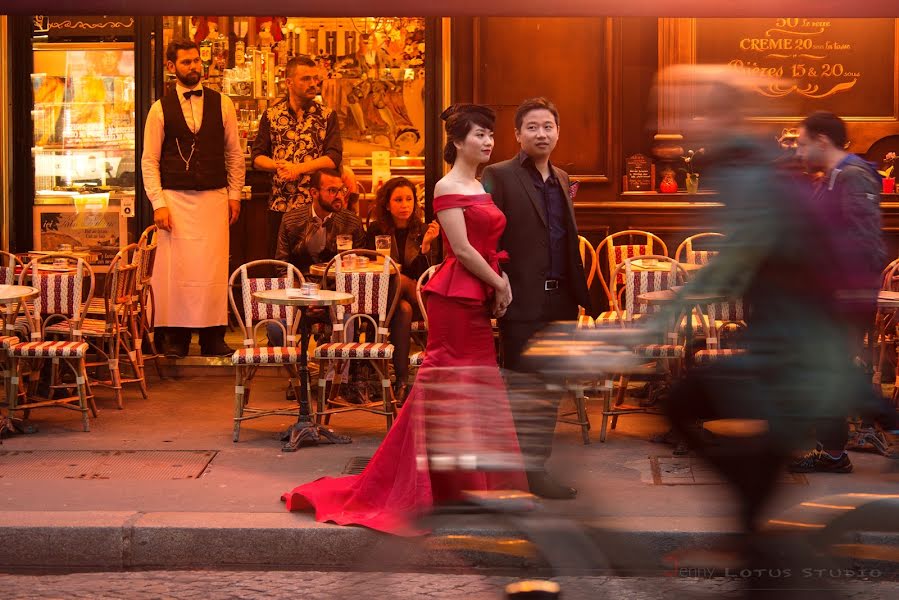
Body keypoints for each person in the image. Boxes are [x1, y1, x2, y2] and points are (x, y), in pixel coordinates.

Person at [281, 104, 526, 536]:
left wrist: (498, 282)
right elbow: (464, 250)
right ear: (456, 141)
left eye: (491, 134)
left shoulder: (479, 184)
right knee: (445, 387)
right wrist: (501, 285)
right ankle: (426, 488)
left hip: (477, 292)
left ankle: (469, 488)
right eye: (479, 135)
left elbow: (483, 248)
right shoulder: (447, 185)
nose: (488, 141)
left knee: (475, 389)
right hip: (457, 297)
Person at [481, 97, 591, 500]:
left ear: (558, 131)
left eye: (548, 126)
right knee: (522, 391)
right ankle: (515, 472)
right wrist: (497, 283)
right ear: (517, 134)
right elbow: (485, 236)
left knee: (549, 390)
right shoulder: (498, 175)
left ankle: (534, 470)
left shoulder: (562, 177)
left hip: (561, 303)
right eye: (532, 127)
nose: (541, 133)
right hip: (521, 301)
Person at [791, 110, 897, 472]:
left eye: (803, 145)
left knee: (835, 370)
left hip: (845, 296)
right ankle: (834, 454)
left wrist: (846, 290)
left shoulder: (853, 176)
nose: (800, 153)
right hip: (830, 295)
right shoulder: (834, 178)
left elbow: (866, 242)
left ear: (822, 140)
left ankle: (889, 423)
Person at [141, 39, 245, 358]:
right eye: (186, 62)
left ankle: (212, 336)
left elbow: (234, 153)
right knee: (176, 273)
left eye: (197, 61)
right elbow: (149, 160)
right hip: (174, 199)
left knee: (212, 271)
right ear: (172, 67)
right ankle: (177, 337)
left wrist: (235, 194)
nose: (194, 67)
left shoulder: (222, 103)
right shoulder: (159, 108)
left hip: (214, 197)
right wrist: (158, 202)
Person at [251, 55, 343, 260]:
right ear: (289, 82)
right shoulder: (271, 115)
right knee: (280, 267)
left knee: (316, 266)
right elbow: (257, 157)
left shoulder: (327, 115)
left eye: (314, 79)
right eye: (306, 79)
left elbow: (333, 157)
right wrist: (278, 166)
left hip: (315, 207)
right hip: (280, 205)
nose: (313, 84)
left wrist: (298, 168)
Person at [364, 176, 441, 400]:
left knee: (405, 306)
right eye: (398, 199)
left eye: (409, 199)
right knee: (399, 293)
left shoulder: (424, 230)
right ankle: (402, 382)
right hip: (384, 298)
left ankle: (401, 382)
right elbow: (372, 266)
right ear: (387, 204)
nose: (405, 204)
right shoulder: (376, 230)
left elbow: (428, 274)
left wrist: (426, 246)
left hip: (418, 298)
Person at [274, 168, 364, 277]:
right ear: (314, 193)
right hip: (301, 287)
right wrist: (296, 288)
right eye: (332, 190)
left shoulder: (352, 222)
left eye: (342, 190)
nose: (340, 196)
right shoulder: (290, 221)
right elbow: (282, 266)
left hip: (338, 287)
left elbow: (360, 267)